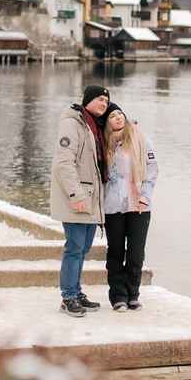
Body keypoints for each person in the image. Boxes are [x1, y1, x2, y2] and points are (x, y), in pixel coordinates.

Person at [50, 84, 110, 316]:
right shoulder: (72, 123)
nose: (103, 104)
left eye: (106, 101)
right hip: (77, 198)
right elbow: (64, 163)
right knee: (74, 248)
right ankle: (68, 297)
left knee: (83, 248)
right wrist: (75, 194)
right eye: (99, 99)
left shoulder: (93, 126)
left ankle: (76, 291)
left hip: (91, 199)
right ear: (87, 100)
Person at [101, 104, 158, 311]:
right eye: (111, 116)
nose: (117, 117)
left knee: (135, 252)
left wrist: (145, 196)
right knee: (115, 251)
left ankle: (133, 293)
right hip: (112, 206)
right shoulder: (102, 143)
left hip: (139, 205)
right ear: (106, 122)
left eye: (119, 113)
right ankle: (118, 296)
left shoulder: (140, 139)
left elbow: (152, 169)